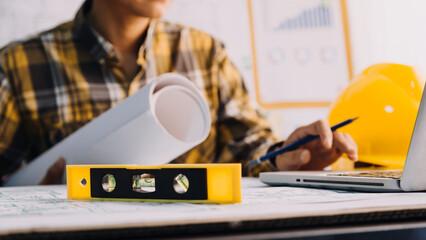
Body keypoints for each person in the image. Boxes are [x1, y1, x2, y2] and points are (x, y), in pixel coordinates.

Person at [0, 0, 358, 185]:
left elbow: (250, 150)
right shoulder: (19, 64)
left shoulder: (206, 52)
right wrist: (32, 196)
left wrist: (287, 156)